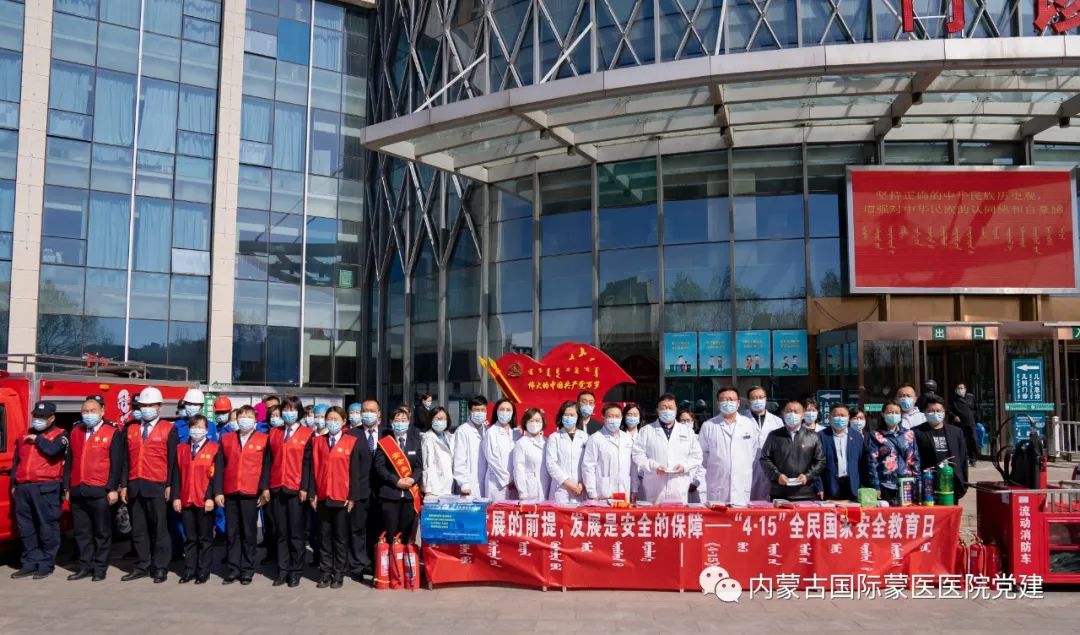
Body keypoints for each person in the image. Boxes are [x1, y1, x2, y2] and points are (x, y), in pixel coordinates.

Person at [120, 387, 178, 583]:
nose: (145, 409)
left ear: (159, 407)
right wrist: (124, 485)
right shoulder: (131, 429)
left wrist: (169, 485)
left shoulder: (169, 429)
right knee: (138, 530)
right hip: (135, 485)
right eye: (142, 406)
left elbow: (173, 462)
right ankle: (142, 565)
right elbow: (125, 460)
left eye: (150, 405)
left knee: (160, 529)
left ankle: (160, 567)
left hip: (157, 485)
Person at [64, 395, 124, 581]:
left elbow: (117, 464)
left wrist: (113, 488)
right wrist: (67, 487)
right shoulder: (76, 432)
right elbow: (69, 462)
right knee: (82, 532)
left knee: (101, 532)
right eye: (85, 411)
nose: (89, 414)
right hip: (78, 489)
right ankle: (84, 566)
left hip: (100, 490)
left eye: (93, 411)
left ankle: (99, 568)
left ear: (102, 412)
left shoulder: (112, 433)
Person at [310, 406, 367, 589]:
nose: (332, 422)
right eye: (329, 419)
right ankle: (325, 572)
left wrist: (352, 496)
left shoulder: (351, 441)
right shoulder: (318, 441)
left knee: (340, 538)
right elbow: (313, 469)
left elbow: (355, 471)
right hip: (323, 496)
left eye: (336, 419)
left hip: (342, 497)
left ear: (344, 422)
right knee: (324, 536)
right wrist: (312, 493)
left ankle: (339, 573)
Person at [10, 401, 67, 579]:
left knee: (47, 528)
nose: (38, 419)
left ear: (52, 418)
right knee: (26, 528)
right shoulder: (23, 434)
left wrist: (38, 439)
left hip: (46, 488)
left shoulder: (60, 435)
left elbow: (53, 451)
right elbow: (16, 462)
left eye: (42, 417)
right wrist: (14, 484)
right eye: (36, 416)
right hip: (24, 488)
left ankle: (46, 564)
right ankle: (30, 563)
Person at [219, 405, 270, 585]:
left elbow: (266, 466)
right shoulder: (226, 439)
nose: (244, 419)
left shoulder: (263, 439)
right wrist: (218, 491)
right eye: (241, 416)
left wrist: (264, 489)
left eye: (249, 416)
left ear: (255, 419)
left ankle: (247, 569)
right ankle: (233, 569)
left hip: (251, 491)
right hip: (231, 491)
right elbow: (220, 466)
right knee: (232, 532)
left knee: (249, 532)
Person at [267, 395, 313, 587]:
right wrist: (265, 487)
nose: (288, 412)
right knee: (281, 532)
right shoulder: (274, 433)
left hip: (296, 489)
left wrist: (305, 488)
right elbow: (268, 462)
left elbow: (308, 464)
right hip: (277, 487)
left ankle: (295, 570)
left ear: (299, 412)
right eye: (285, 409)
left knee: (296, 532)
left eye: (292, 409)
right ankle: (282, 569)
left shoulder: (307, 434)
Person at [171, 415, 222, 584]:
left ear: (207, 430)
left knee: (205, 538)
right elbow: (176, 475)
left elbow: (216, 476)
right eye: (193, 426)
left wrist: (210, 497)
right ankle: (189, 570)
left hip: (204, 500)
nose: (196, 430)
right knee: (190, 538)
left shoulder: (214, 449)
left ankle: (203, 571)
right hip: (186, 499)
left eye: (200, 427)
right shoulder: (181, 449)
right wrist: (176, 497)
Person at [631, 394, 703, 505]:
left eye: (670, 408)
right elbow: (637, 454)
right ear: (657, 410)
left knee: (678, 514)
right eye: (663, 408)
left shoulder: (687, 431)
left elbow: (697, 456)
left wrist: (685, 467)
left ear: (676, 410)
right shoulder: (646, 430)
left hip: (679, 484)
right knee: (654, 514)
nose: (667, 411)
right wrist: (653, 466)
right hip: (654, 484)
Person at [698, 386, 758, 506]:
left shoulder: (749, 424)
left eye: (731, 399)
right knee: (717, 516)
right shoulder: (708, 425)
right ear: (718, 403)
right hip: (717, 484)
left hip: (741, 484)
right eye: (724, 400)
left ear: (738, 403)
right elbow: (702, 456)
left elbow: (753, 452)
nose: (728, 403)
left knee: (739, 516)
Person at [759, 400, 825, 502]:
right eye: (789, 411)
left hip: (805, 492)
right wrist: (777, 476)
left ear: (802, 415)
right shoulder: (774, 435)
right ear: (783, 414)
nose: (792, 414)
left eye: (796, 412)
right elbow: (765, 458)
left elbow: (820, 461)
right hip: (779, 492)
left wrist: (808, 476)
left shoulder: (813, 436)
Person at [374, 407, 423, 543]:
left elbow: (419, 467)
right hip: (390, 494)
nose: (400, 423)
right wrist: (396, 481)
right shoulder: (385, 443)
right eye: (397, 420)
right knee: (390, 534)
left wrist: (412, 479)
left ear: (408, 422)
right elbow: (379, 467)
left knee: (407, 534)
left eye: (403, 420)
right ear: (391, 422)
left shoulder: (416, 442)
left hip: (409, 495)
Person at [348, 398, 383, 578]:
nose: (368, 414)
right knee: (357, 529)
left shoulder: (387, 434)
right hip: (359, 490)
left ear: (379, 414)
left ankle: (375, 563)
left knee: (376, 529)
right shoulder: (352, 434)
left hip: (381, 491)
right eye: (365, 411)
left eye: (372, 411)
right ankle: (358, 565)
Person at [913, 398, 969, 501]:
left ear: (944, 412)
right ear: (925, 413)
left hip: (950, 483)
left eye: (938, 411)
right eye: (931, 411)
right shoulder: (917, 432)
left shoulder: (956, 432)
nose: (935, 414)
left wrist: (964, 483)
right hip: (928, 483)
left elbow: (962, 458)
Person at [867, 401, 921, 505]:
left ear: (901, 415)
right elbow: (872, 462)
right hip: (885, 484)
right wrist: (875, 486)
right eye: (890, 412)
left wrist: (918, 484)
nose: (893, 415)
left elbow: (915, 460)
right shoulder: (876, 435)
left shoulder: (909, 434)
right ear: (883, 414)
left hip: (906, 484)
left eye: (897, 412)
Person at [582, 404, 635, 501]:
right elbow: (588, 467)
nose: (614, 419)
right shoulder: (595, 438)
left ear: (622, 418)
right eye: (610, 416)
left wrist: (634, 489)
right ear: (603, 418)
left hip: (624, 490)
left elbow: (633, 466)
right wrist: (592, 493)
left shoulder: (627, 438)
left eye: (617, 416)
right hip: (602, 493)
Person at [816, 405, 866, 502]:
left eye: (843, 415)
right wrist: (819, 487)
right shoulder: (821, 436)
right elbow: (815, 463)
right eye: (836, 415)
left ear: (848, 418)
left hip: (852, 486)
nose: (839, 418)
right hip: (829, 485)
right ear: (830, 417)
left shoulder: (857, 436)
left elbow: (862, 463)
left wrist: (863, 486)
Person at [744, 386, 783, 500]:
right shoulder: (741, 420)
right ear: (748, 401)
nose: (758, 400)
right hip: (747, 468)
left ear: (766, 399)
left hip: (771, 468)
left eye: (761, 397)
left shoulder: (777, 421)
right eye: (754, 398)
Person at [544, 401, 587, 503]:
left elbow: (588, 463)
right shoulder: (554, 437)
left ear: (578, 417)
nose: (569, 418)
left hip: (580, 489)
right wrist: (569, 484)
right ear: (561, 416)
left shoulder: (585, 437)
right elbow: (551, 464)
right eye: (566, 415)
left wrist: (582, 484)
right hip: (561, 489)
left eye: (572, 415)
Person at [452, 395, 488, 497]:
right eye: (477, 410)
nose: (480, 413)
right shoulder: (462, 431)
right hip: (469, 485)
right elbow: (459, 460)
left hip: (486, 483)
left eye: (483, 410)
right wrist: (464, 484)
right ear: (470, 411)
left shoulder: (487, 430)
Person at [482, 398, 517, 502]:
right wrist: (507, 479)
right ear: (496, 412)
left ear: (513, 413)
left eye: (508, 410)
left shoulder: (516, 434)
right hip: (496, 483)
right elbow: (492, 459)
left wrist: (516, 479)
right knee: (497, 510)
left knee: (513, 511)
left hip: (515, 484)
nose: (505, 412)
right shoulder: (491, 432)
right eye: (502, 409)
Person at [512, 408, 550, 501]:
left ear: (542, 422)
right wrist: (522, 493)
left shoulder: (548, 441)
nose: (534, 423)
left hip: (548, 489)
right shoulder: (521, 443)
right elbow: (518, 469)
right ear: (525, 423)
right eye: (531, 421)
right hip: (530, 491)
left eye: (537, 420)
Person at [421, 407, 455, 498]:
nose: (441, 421)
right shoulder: (428, 437)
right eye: (438, 418)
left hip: (449, 484)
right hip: (435, 488)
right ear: (431, 420)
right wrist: (428, 489)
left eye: (443, 419)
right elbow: (427, 464)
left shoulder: (449, 436)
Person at [677, 408, 706, 501]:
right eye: (682, 420)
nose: (685, 423)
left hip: (698, 486)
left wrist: (696, 483)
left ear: (693, 422)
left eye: (688, 420)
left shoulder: (700, 439)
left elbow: (704, 463)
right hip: (679, 485)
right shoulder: (674, 441)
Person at [948, 382, 979, 467]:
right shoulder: (953, 399)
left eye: (962, 388)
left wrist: (977, 419)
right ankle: (965, 458)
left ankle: (973, 458)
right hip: (960, 424)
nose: (960, 390)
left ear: (965, 389)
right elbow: (949, 410)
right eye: (958, 388)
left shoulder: (971, 397)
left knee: (974, 440)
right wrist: (954, 416)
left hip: (971, 423)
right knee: (963, 441)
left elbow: (977, 408)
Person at [623, 403, 644, 496]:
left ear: (640, 417)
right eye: (629, 414)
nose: (632, 417)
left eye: (635, 415)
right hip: (624, 477)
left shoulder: (644, 435)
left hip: (642, 477)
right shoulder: (620, 435)